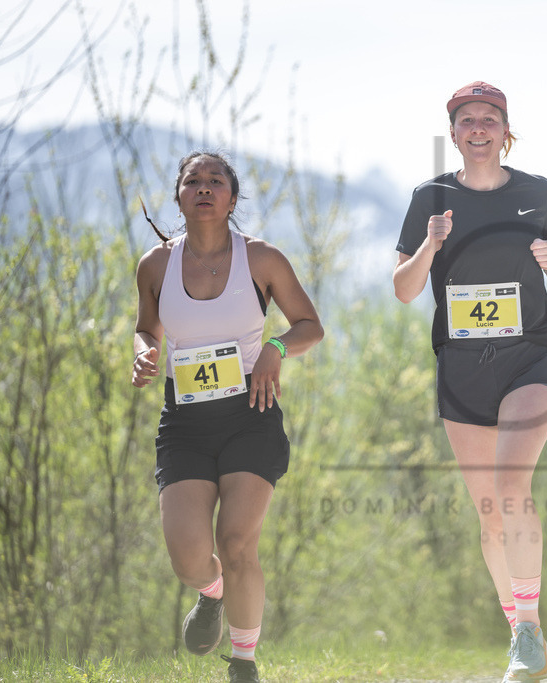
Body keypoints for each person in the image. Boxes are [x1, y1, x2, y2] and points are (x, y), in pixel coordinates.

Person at [393, 81, 547, 682]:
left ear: (505, 130)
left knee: (510, 485)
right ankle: (526, 630)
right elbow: (403, 287)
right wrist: (430, 243)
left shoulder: (535, 190)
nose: (478, 128)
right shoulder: (430, 196)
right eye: (467, 119)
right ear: (453, 133)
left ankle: (525, 631)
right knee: (489, 517)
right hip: (462, 372)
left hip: (529, 362)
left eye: (489, 118)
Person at [132, 151, 324, 683]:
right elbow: (147, 329)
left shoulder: (261, 259)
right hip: (186, 422)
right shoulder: (155, 265)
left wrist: (275, 350)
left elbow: (310, 325)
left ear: (232, 199)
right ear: (179, 196)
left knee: (237, 543)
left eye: (216, 181)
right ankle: (210, 592)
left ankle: (243, 663)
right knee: (190, 558)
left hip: (250, 414)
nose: (204, 188)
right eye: (193, 181)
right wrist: (143, 350)